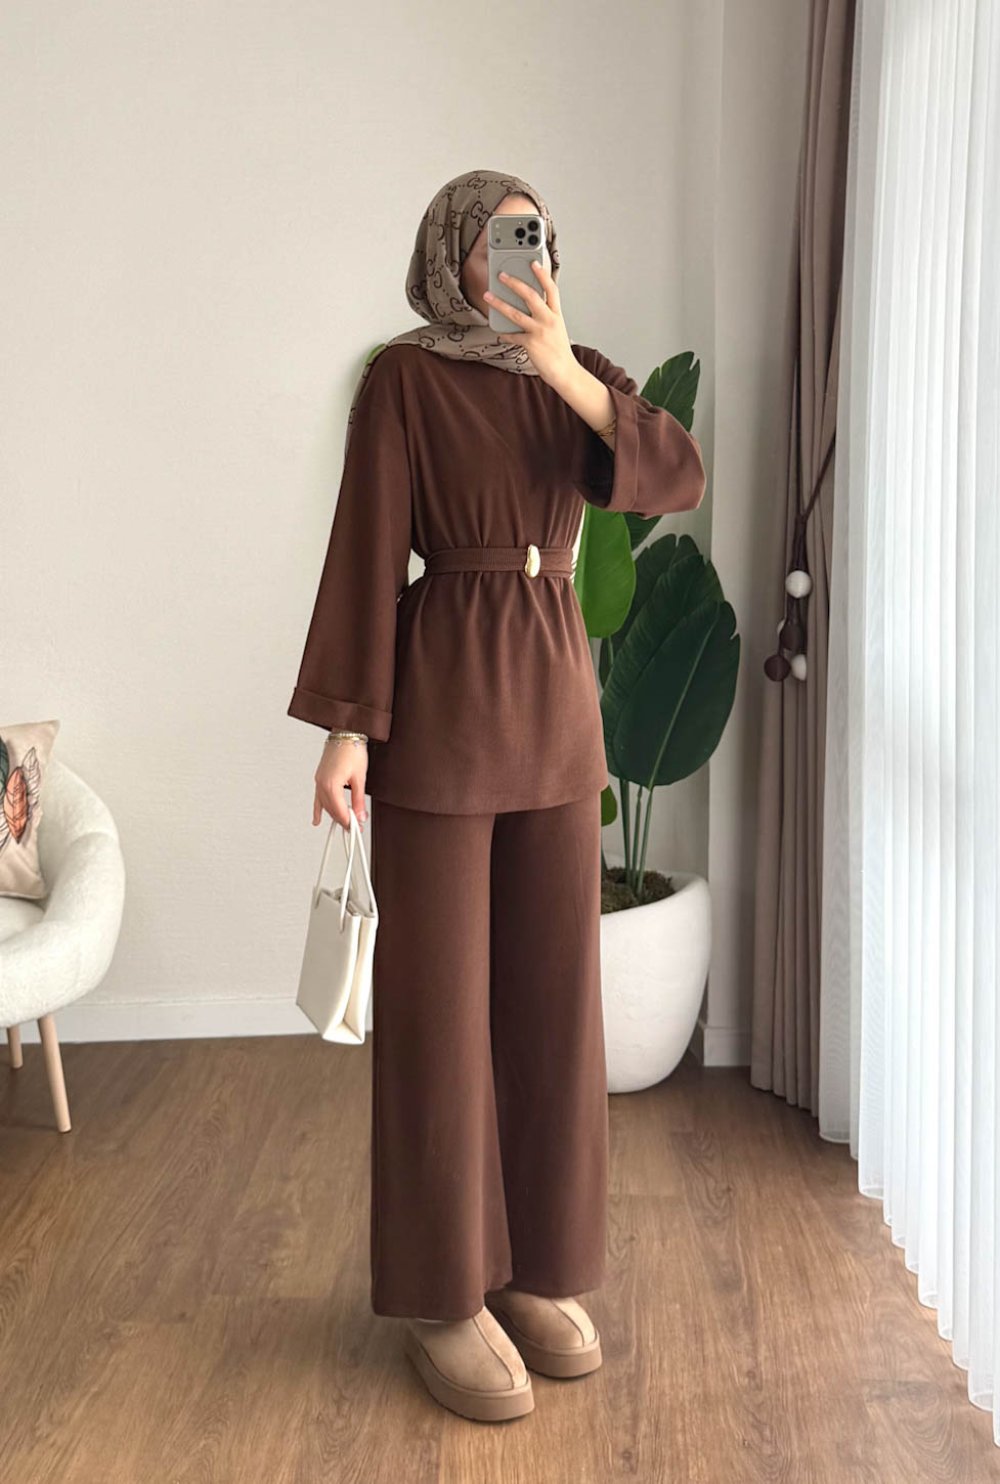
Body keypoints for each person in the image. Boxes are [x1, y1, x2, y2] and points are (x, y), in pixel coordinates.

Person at [288, 168, 706, 1423]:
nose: (527, 255)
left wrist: (563, 366)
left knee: (550, 1011)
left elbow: (675, 475)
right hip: (440, 712)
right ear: (450, 251)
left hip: (554, 712)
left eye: (540, 236)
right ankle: (441, 1292)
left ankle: (532, 1266)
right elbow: (367, 546)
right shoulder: (402, 379)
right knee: (437, 1016)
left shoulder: (574, 373)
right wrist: (347, 731)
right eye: (502, 236)